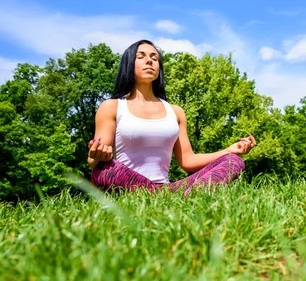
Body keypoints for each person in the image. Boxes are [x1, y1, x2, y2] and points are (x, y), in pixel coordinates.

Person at [87, 39, 256, 195]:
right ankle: (174, 200)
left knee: (233, 161)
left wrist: (229, 151)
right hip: (128, 185)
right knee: (104, 169)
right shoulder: (112, 106)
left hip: (168, 189)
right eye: (141, 56)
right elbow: (94, 162)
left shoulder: (175, 112)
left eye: (154, 57)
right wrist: (98, 155)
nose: (149, 60)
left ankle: (181, 197)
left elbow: (188, 160)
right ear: (129, 64)